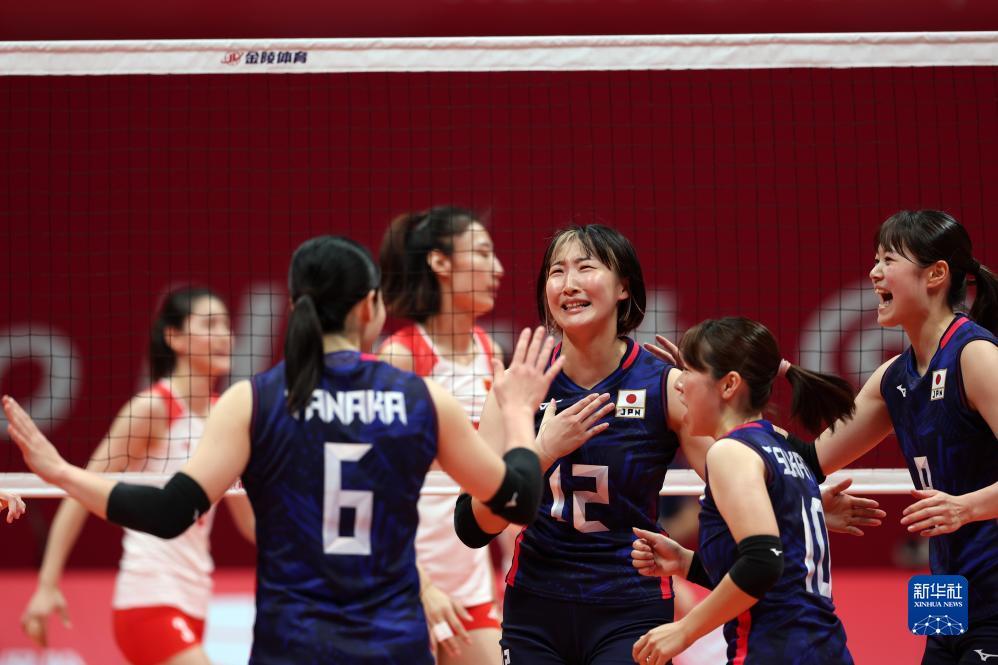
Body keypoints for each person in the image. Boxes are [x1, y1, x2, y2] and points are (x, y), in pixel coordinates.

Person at [5, 235, 570, 665]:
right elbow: (515, 500)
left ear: (299, 305)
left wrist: (59, 472)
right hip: (392, 642)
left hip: (291, 645)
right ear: (369, 307)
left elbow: (168, 509)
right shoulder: (420, 399)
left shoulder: (252, 402)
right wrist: (519, 414)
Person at [454, 224, 882, 665]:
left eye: (585, 267)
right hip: (535, 605)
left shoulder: (665, 386)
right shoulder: (517, 386)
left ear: (623, 287)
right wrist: (544, 450)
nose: (569, 284)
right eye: (556, 271)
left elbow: (741, 474)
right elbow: (471, 527)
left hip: (630, 605)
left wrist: (795, 503)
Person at [18, 286, 256, 665]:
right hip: (147, 597)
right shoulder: (151, 409)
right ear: (174, 337)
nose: (225, 335)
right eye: (210, 324)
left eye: (227, 325)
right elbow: (76, 488)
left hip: (195, 599)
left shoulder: (226, 415)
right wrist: (47, 584)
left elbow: (249, 521)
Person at [808, 210, 998, 665]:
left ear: (936, 274)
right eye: (876, 259)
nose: (874, 272)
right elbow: (805, 461)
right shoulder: (893, 378)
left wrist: (966, 507)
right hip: (945, 595)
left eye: (888, 259)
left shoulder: (976, 357)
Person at [629, 317, 856, 664]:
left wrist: (684, 630)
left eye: (688, 371)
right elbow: (778, 576)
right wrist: (686, 563)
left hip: (774, 653)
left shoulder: (731, 452)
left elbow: (763, 562)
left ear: (729, 384)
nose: (678, 384)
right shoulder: (781, 448)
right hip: (825, 649)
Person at [378, 206, 505, 664]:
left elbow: (501, 483)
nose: (498, 268)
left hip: (470, 588)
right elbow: (376, 491)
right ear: (440, 263)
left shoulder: (492, 353)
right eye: (483, 253)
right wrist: (422, 587)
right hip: (402, 584)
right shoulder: (400, 359)